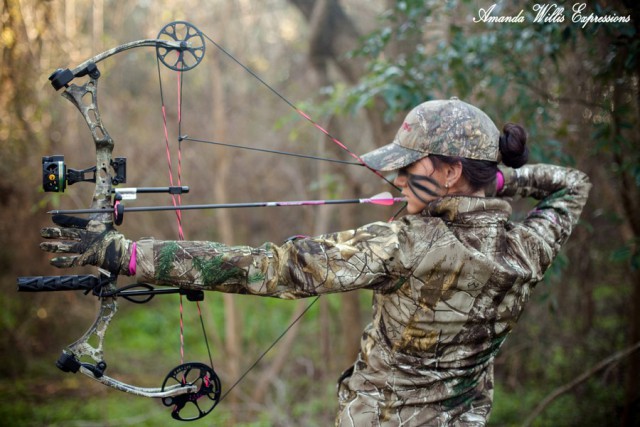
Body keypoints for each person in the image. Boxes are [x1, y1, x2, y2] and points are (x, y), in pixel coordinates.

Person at [41, 98, 591, 426]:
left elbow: (267, 267)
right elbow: (572, 185)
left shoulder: (404, 247)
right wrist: (499, 178)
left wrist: (127, 253)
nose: (397, 179)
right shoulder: (530, 246)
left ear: (448, 171)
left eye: (409, 166)